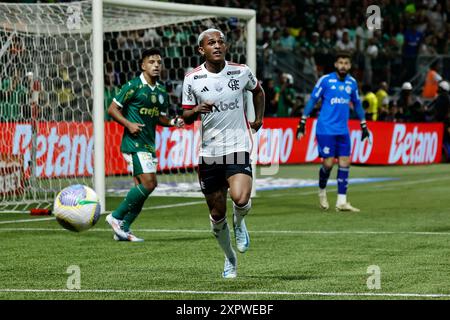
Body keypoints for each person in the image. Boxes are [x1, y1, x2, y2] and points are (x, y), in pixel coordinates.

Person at [181, 28, 265, 278]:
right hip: (210, 153)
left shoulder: (241, 72)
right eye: (211, 43)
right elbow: (185, 117)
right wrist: (196, 109)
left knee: (240, 198)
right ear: (201, 49)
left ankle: (240, 223)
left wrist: (258, 118)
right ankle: (230, 259)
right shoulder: (192, 79)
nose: (217, 45)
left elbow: (258, 91)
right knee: (217, 214)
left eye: (220, 42)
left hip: (237, 145)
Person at [106, 48, 184, 242]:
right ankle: (115, 217)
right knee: (150, 183)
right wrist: (128, 124)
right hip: (134, 144)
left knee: (141, 189)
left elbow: (160, 118)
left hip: (149, 144)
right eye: (151, 62)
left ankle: (124, 229)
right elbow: (112, 109)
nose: (156, 65)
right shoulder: (133, 86)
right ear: (143, 65)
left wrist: (173, 122)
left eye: (159, 62)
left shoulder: (161, 91)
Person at [296, 51, 370, 212]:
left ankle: (341, 201)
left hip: (343, 130)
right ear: (336, 64)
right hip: (326, 128)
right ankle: (322, 190)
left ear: (350, 66)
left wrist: (364, 125)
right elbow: (313, 100)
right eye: (341, 62)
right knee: (328, 163)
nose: (343, 66)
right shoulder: (325, 80)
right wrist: (302, 121)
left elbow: (357, 104)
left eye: (346, 63)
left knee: (345, 161)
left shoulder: (352, 83)